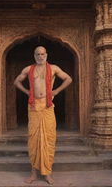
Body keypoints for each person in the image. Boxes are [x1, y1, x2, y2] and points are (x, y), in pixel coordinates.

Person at [14, 46, 72, 185]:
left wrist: (56, 91)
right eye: (38, 54)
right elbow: (16, 82)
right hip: (33, 107)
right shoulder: (28, 69)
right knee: (33, 140)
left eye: (42, 54)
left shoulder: (53, 68)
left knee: (49, 139)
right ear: (34, 55)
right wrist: (27, 91)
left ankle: (47, 173)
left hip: (47, 107)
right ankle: (33, 173)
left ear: (46, 54)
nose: (40, 56)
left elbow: (68, 79)